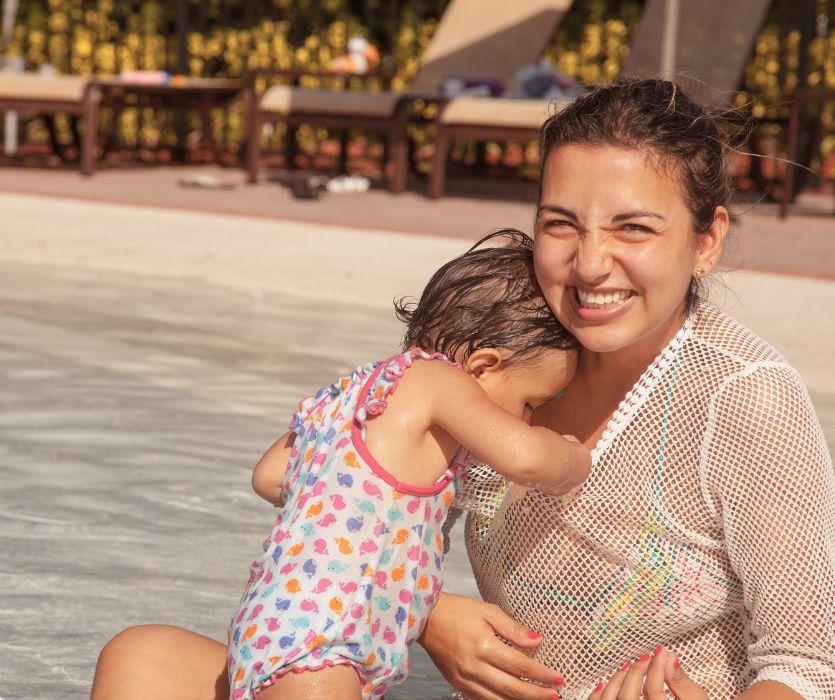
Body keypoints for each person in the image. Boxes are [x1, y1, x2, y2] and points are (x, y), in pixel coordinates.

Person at [91, 79, 835, 700]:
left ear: (705, 241)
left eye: (633, 228)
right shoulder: (502, 358)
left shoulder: (742, 397)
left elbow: (810, 665)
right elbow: (342, 491)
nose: (589, 264)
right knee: (143, 660)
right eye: (561, 224)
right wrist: (427, 613)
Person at [95, 231, 591, 700]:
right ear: (483, 366)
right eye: (531, 403)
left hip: (269, 626)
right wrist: (570, 455)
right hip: (325, 642)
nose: (529, 418)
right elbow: (526, 459)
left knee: (139, 653)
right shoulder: (439, 382)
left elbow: (269, 475)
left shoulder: (358, 395)